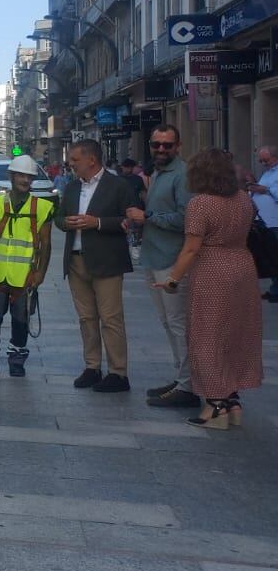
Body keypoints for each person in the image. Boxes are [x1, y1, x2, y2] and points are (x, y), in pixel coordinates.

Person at [151, 149, 264, 429]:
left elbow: (191, 248)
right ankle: (232, 400)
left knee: (207, 336)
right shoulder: (243, 200)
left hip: (213, 270)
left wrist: (172, 279)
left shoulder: (201, 203)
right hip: (243, 267)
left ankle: (215, 407)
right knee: (235, 335)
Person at [57, 138, 141, 393]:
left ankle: (118, 372)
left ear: (91, 159)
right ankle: (92, 366)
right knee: (86, 318)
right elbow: (58, 218)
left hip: (106, 260)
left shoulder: (118, 186)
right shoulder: (72, 188)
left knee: (111, 318)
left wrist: (99, 223)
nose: (70, 164)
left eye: (75, 160)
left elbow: (131, 219)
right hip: (76, 259)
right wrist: (66, 223)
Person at [124, 125, 198, 409]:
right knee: (169, 323)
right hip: (155, 257)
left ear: (178, 146)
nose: (162, 150)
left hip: (173, 259)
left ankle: (188, 385)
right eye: (157, 145)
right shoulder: (156, 173)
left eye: (168, 145)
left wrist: (148, 216)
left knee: (179, 324)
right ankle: (181, 378)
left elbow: (186, 218)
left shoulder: (182, 175)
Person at [0, 154, 53, 379]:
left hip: (25, 276)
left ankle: (17, 361)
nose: (25, 180)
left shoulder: (42, 207)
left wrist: (41, 274)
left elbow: (46, 244)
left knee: (21, 321)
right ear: (11, 176)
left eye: (29, 176)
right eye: (20, 175)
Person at [247, 145, 278, 302]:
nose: (262, 163)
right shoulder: (268, 173)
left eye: (265, 160)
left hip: (275, 221)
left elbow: (274, 192)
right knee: (271, 257)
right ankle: (274, 289)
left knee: (275, 256)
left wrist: (264, 190)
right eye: (260, 160)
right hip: (265, 221)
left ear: (275, 157)